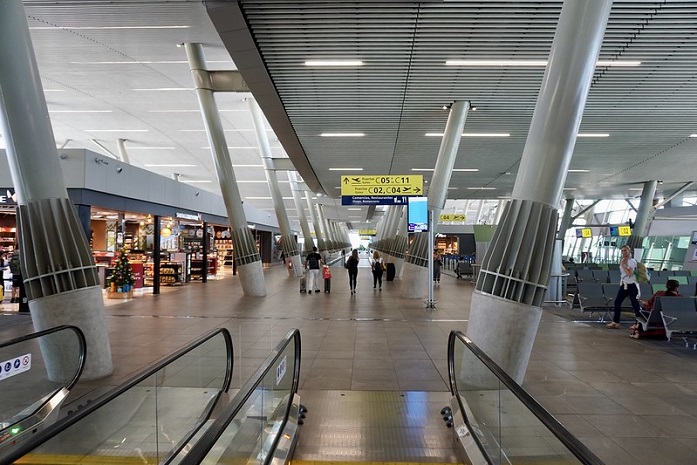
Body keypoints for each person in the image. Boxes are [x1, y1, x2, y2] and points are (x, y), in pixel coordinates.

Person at [607, 245, 642, 329]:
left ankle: (638, 323)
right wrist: (623, 264)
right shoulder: (623, 260)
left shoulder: (631, 261)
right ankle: (616, 321)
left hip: (632, 285)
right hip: (624, 284)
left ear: (629, 251)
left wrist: (623, 265)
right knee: (617, 302)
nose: (624, 252)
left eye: (625, 250)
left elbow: (630, 273)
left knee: (635, 304)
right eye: (622, 251)